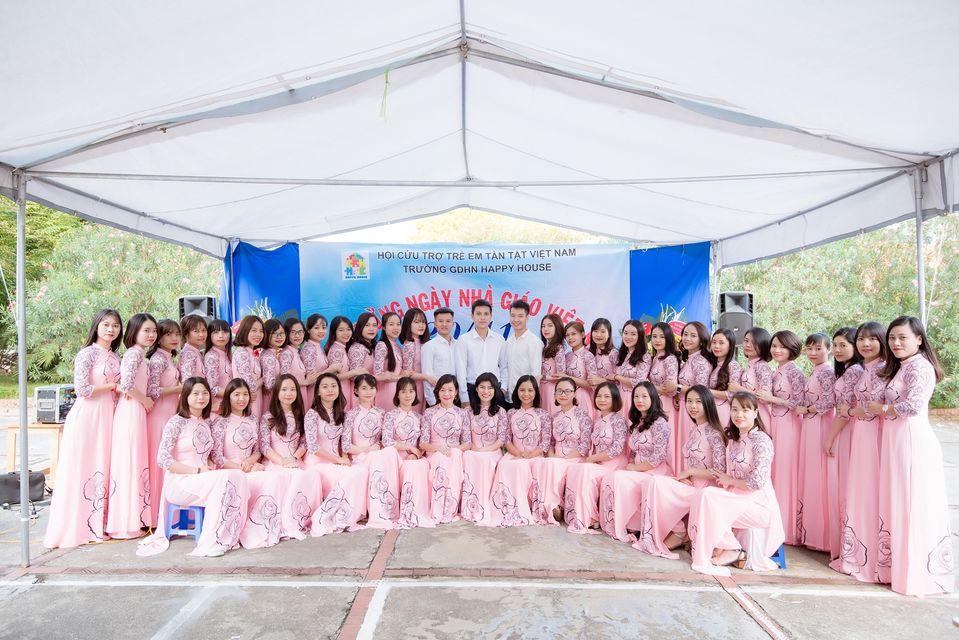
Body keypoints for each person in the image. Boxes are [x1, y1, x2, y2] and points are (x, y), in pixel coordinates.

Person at [874, 316, 953, 596]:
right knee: (898, 501)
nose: (896, 343)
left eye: (902, 337)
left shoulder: (920, 367)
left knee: (910, 503)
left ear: (919, 339)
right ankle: (897, 568)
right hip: (896, 439)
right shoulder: (902, 366)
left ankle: (914, 574)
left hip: (911, 439)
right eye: (892, 337)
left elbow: (913, 405)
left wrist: (882, 409)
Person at [136, 377, 248, 557]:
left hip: (202, 479)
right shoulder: (176, 422)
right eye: (195, 393)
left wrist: (210, 467)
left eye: (204, 393)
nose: (201, 397)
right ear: (185, 396)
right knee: (223, 479)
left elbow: (210, 456)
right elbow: (163, 459)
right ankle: (210, 542)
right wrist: (197, 471)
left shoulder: (206, 422)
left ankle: (227, 536)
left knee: (238, 476)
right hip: (181, 482)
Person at [43, 309, 122, 549]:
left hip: (109, 415)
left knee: (103, 466)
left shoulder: (115, 357)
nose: (110, 329)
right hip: (88, 417)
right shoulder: (86, 354)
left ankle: (99, 523)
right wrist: (112, 386)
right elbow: (82, 389)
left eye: (115, 325)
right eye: (106, 324)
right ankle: (78, 527)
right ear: (96, 326)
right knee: (84, 468)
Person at [687, 391, 784, 576]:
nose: (739, 415)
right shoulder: (734, 440)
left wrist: (729, 480)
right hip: (737, 500)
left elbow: (757, 482)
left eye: (745, 410)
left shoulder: (762, 441)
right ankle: (723, 545)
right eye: (735, 409)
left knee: (708, 496)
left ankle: (732, 548)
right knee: (703, 494)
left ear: (755, 413)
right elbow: (726, 475)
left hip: (759, 506)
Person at [828, 322, 887, 583]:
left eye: (871, 339)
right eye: (862, 339)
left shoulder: (871, 370)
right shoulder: (864, 369)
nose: (865, 344)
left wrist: (830, 436)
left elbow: (859, 409)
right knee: (856, 489)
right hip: (859, 432)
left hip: (865, 434)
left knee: (862, 489)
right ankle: (857, 550)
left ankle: (864, 554)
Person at [599, 380, 672, 542]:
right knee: (612, 477)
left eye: (644, 396)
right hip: (637, 468)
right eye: (636, 397)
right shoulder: (637, 422)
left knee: (618, 477)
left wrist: (635, 468)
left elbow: (658, 457)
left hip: (654, 470)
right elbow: (633, 451)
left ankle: (633, 525)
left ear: (653, 398)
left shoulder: (660, 423)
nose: (639, 400)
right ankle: (623, 523)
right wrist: (631, 465)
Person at [106, 313, 157, 539]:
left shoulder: (140, 355)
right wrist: (145, 400)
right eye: (146, 330)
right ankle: (125, 523)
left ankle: (134, 519)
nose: (151, 335)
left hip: (135, 409)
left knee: (135, 462)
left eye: (153, 331)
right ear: (134, 331)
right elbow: (126, 384)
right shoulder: (134, 353)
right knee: (129, 461)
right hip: (131, 410)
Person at [755, 330, 805, 545]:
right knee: (774, 473)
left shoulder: (795, 372)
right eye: (774, 346)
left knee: (785, 473)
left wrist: (772, 399)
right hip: (774, 423)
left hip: (790, 425)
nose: (777, 350)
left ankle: (787, 528)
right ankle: (773, 523)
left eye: (782, 347)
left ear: (792, 349)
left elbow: (800, 403)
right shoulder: (776, 371)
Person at [483, 375, 550, 527]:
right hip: (514, 453)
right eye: (522, 390)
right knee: (505, 465)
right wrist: (519, 454)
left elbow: (545, 442)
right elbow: (507, 439)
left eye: (530, 390)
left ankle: (530, 507)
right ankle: (507, 506)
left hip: (536, 455)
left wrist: (529, 455)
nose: (526, 394)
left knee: (527, 466)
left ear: (536, 392)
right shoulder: (511, 413)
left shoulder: (543, 414)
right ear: (516, 392)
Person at [563, 382, 628, 533]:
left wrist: (592, 458)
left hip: (614, 464)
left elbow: (617, 449)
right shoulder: (598, 421)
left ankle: (591, 516)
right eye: (599, 396)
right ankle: (577, 514)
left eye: (607, 396)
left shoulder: (619, 420)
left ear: (615, 398)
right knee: (576, 469)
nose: (602, 399)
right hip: (599, 463)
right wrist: (593, 458)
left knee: (585, 470)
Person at [823, 327, 863, 559]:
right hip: (846, 428)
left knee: (843, 483)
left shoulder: (854, 371)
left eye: (843, 345)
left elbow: (845, 412)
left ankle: (847, 545)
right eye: (835, 345)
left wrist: (829, 437)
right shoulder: (848, 370)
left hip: (847, 430)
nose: (837, 350)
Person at [529, 377, 591, 525]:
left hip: (575, 458)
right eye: (559, 391)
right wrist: (553, 457)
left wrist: (562, 459)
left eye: (567, 391)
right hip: (556, 458)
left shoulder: (583, 416)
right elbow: (551, 443)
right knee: (543, 463)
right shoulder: (554, 417)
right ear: (555, 394)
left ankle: (554, 505)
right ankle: (548, 506)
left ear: (574, 393)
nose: (563, 394)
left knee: (552, 464)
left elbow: (584, 446)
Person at [796, 333, 836, 552]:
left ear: (829, 350)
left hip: (821, 423)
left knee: (819, 474)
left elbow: (829, 402)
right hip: (810, 424)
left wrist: (808, 409)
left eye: (818, 348)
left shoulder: (827, 372)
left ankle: (821, 536)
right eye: (809, 349)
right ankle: (811, 531)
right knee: (811, 473)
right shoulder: (816, 371)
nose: (813, 353)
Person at [145, 319, 182, 531]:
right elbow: (152, 391)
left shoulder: (168, 358)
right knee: (161, 461)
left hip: (170, 411)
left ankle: (168, 511)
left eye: (176, 334)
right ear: (159, 338)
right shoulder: (158, 360)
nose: (174, 338)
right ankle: (157, 515)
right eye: (168, 334)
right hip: (159, 415)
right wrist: (178, 389)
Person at [420, 374, 472, 523]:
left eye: (450, 390)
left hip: (454, 453)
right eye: (443, 390)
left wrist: (452, 449)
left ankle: (450, 509)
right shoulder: (429, 413)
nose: (446, 394)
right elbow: (423, 443)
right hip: (435, 453)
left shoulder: (462, 413)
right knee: (442, 459)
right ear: (437, 392)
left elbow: (467, 443)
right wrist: (439, 448)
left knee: (453, 456)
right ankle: (437, 510)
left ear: (456, 392)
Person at [460, 373, 508, 524]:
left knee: (485, 460)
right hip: (472, 451)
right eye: (482, 387)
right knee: (468, 457)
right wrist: (476, 450)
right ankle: (471, 506)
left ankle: (486, 505)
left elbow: (501, 439)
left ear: (495, 390)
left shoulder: (501, 411)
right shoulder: (468, 411)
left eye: (490, 387)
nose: (486, 391)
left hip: (493, 451)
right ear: (476, 389)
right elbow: (466, 438)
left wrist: (485, 451)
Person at [456, 300, 508, 408]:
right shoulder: (464, 340)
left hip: (495, 390)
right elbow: (461, 370)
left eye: (486, 314)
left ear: (491, 316)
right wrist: (464, 397)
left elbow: (504, 366)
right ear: (472, 316)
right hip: (472, 390)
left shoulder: (499, 339)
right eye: (478, 314)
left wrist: (503, 388)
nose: (482, 318)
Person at [503, 300, 543, 405]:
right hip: (509, 398)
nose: (516, 319)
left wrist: (530, 400)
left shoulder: (534, 342)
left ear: (527, 317)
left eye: (520, 316)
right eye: (513, 316)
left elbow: (536, 374)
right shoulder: (508, 342)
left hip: (526, 400)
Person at [420, 307, 457, 406]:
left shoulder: (458, 345)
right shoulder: (429, 346)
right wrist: (432, 402)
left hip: (456, 398)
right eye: (440, 321)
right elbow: (427, 375)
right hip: (437, 399)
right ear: (435, 324)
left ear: (453, 323)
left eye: (448, 321)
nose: (444, 324)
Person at [231, 315, 265, 420]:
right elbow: (249, 385)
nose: (258, 334)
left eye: (261, 331)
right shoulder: (242, 353)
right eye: (254, 330)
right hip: (247, 402)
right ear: (245, 331)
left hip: (256, 399)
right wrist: (264, 378)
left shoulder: (250, 352)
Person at [399, 307, 430, 414]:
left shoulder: (424, 343)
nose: (421, 325)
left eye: (423, 322)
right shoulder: (409, 345)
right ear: (408, 324)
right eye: (416, 322)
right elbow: (408, 373)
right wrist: (427, 377)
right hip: (414, 387)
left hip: (425, 385)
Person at [538, 313, 567, 413]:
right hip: (541, 389)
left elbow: (560, 376)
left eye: (550, 326)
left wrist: (542, 377)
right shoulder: (544, 347)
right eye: (543, 326)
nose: (545, 329)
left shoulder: (558, 348)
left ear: (557, 327)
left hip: (552, 391)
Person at [203, 319, 233, 414]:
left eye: (225, 332)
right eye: (216, 332)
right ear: (209, 335)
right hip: (218, 406)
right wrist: (235, 395)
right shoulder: (211, 356)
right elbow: (212, 388)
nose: (221, 336)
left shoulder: (228, 354)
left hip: (231, 403)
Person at [177, 315, 207, 380]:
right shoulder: (188, 354)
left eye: (204, 330)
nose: (201, 334)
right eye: (196, 331)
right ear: (185, 333)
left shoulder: (195, 351)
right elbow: (187, 381)